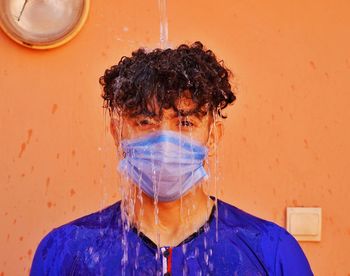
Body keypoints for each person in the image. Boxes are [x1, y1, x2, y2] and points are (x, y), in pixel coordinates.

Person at [30, 41, 313, 275]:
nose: (165, 140)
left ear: (212, 136)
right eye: (144, 122)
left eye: (185, 123)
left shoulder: (270, 250)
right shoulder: (67, 250)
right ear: (117, 133)